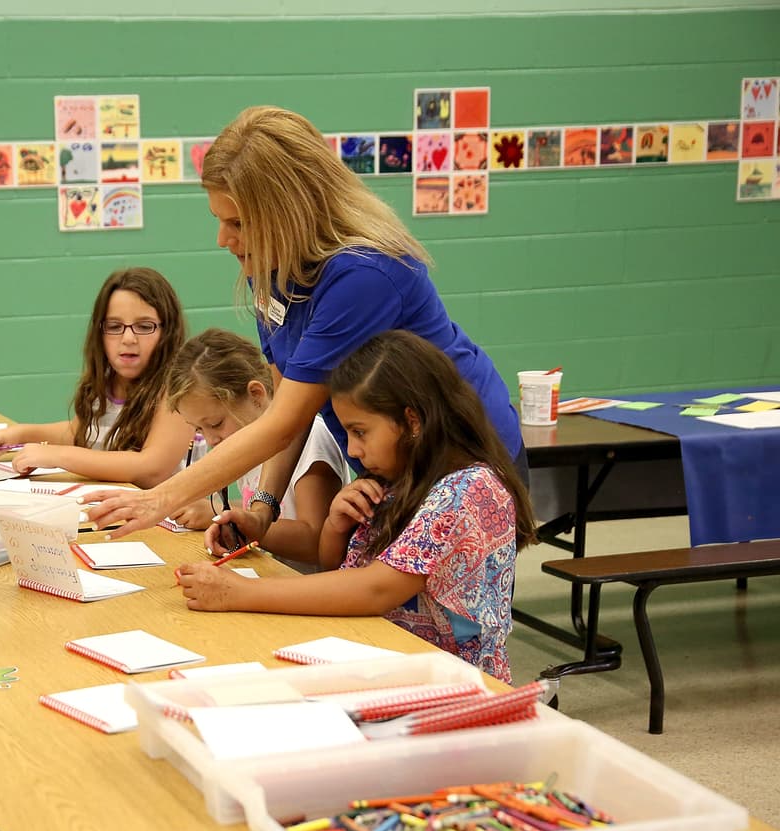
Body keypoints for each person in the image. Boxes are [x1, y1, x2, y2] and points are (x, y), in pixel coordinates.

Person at [85, 105, 525, 547]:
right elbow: (286, 412)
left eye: (237, 223)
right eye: (218, 220)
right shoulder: (272, 269)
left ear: (287, 212)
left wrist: (158, 500)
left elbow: (283, 420)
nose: (222, 239)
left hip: (464, 465)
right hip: (399, 467)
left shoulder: (362, 275)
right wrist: (263, 510)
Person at [175, 331, 537, 682]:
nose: (351, 451)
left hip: (451, 683)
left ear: (412, 421)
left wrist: (240, 592)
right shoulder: (398, 477)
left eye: (360, 432)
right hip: (383, 655)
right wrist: (336, 525)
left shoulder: (466, 490)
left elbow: (375, 589)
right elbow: (336, 565)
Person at [0, 267, 193, 487]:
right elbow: (80, 433)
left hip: (167, 520)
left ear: (168, 331)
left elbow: (150, 469)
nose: (128, 338)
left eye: (144, 326)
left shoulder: (179, 390)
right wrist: (19, 434)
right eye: (114, 326)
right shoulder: (106, 380)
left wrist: (58, 456)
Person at [165, 328, 348, 572]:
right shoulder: (242, 444)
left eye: (216, 424)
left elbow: (315, 540)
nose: (210, 440)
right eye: (200, 429)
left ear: (256, 394)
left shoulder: (311, 439)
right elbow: (274, 508)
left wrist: (221, 516)